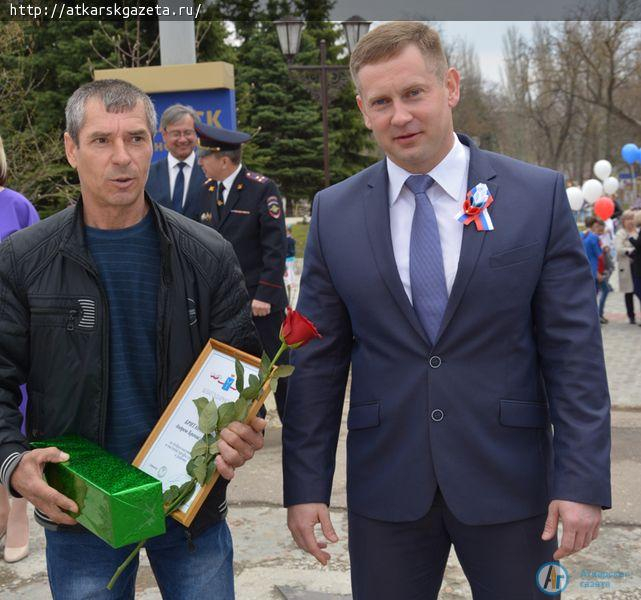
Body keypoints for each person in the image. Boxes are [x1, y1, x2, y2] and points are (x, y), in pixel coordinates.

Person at [283, 21, 610, 599]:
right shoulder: (334, 213)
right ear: (362, 109)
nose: (400, 115)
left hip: (512, 484)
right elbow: (317, 362)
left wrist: (581, 480)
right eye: (381, 102)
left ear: (450, 87)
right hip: (388, 488)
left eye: (413, 93)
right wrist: (304, 486)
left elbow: (573, 353)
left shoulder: (535, 197)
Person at [0, 79, 266, 599]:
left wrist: (247, 428)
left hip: (190, 511)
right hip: (83, 512)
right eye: (102, 140)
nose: (122, 157)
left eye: (137, 139)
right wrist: (12, 462)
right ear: (71, 149)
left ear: (155, 145)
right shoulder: (23, 260)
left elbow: (245, 378)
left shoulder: (208, 255)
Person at [195, 123, 289, 421]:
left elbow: (274, 246)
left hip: (260, 300)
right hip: (227, 301)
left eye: (205, 155)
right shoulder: (207, 191)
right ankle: (254, 421)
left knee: (277, 362)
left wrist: (265, 294)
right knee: (242, 366)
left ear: (224, 159)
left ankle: (294, 420)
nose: (200, 161)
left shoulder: (261, 188)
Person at [0, 135, 39, 563]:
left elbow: (40, 270)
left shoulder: (17, 206)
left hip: (8, 329)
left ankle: (18, 513)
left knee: (14, 416)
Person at [145, 103, 206, 218]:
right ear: (164, 135)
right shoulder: (148, 174)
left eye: (188, 133)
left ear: (196, 134)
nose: (182, 139)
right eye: (176, 134)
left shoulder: (210, 173)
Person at [615, 210, 638, 324]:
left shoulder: (637, 232)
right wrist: (631, 250)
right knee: (628, 292)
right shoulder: (620, 233)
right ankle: (631, 316)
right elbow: (619, 249)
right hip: (626, 266)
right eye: (627, 219)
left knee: (639, 290)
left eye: (631, 219)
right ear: (623, 221)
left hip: (637, 266)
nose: (630, 221)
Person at [582, 216, 604, 291]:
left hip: (582, 268)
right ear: (594, 225)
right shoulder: (594, 237)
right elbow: (600, 255)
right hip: (593, 268)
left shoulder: (580, 235)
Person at [597, 243, 614, 324]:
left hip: (600, 273)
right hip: (598, 274)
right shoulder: (592, 239)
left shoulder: (605, 254)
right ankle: (598, 315)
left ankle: (599, 315)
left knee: (604, 291)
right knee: (604, 291)